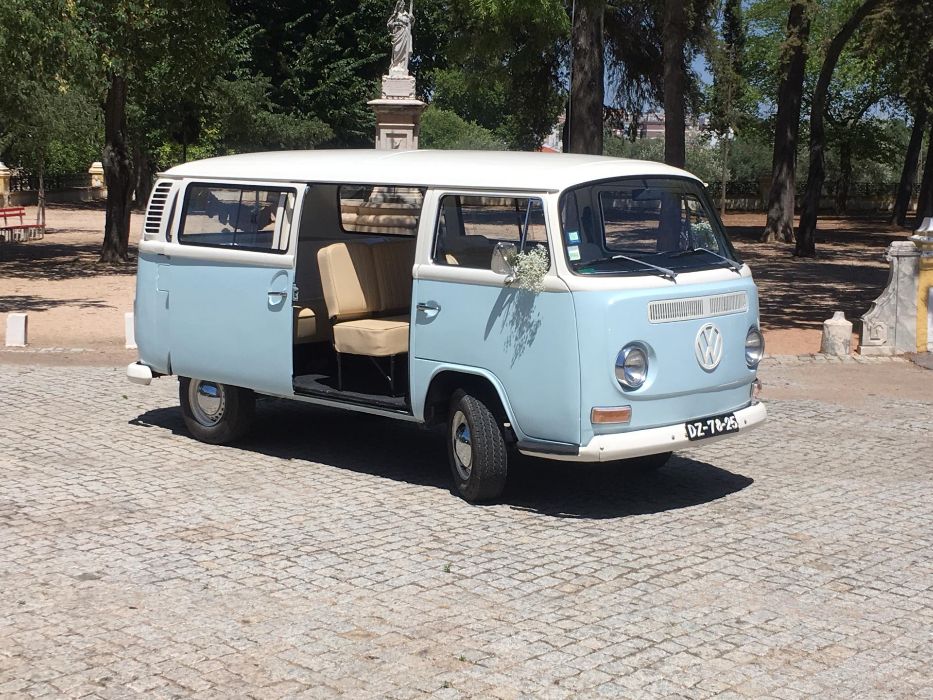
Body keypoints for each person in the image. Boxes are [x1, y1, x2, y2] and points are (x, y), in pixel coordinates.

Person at [388, 0, 413, 76]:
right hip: (398, 34)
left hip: (405, 33)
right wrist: (397, 23)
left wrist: (412, 19)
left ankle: (402, 66)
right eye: (400, 5)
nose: (402, 6)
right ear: (398, 6)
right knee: (396, 49)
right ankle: (395, 65)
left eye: (403, 5)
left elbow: (411, 24)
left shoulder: (407, 15)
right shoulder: (395, 15)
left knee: (405, 50)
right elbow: (389, 24)